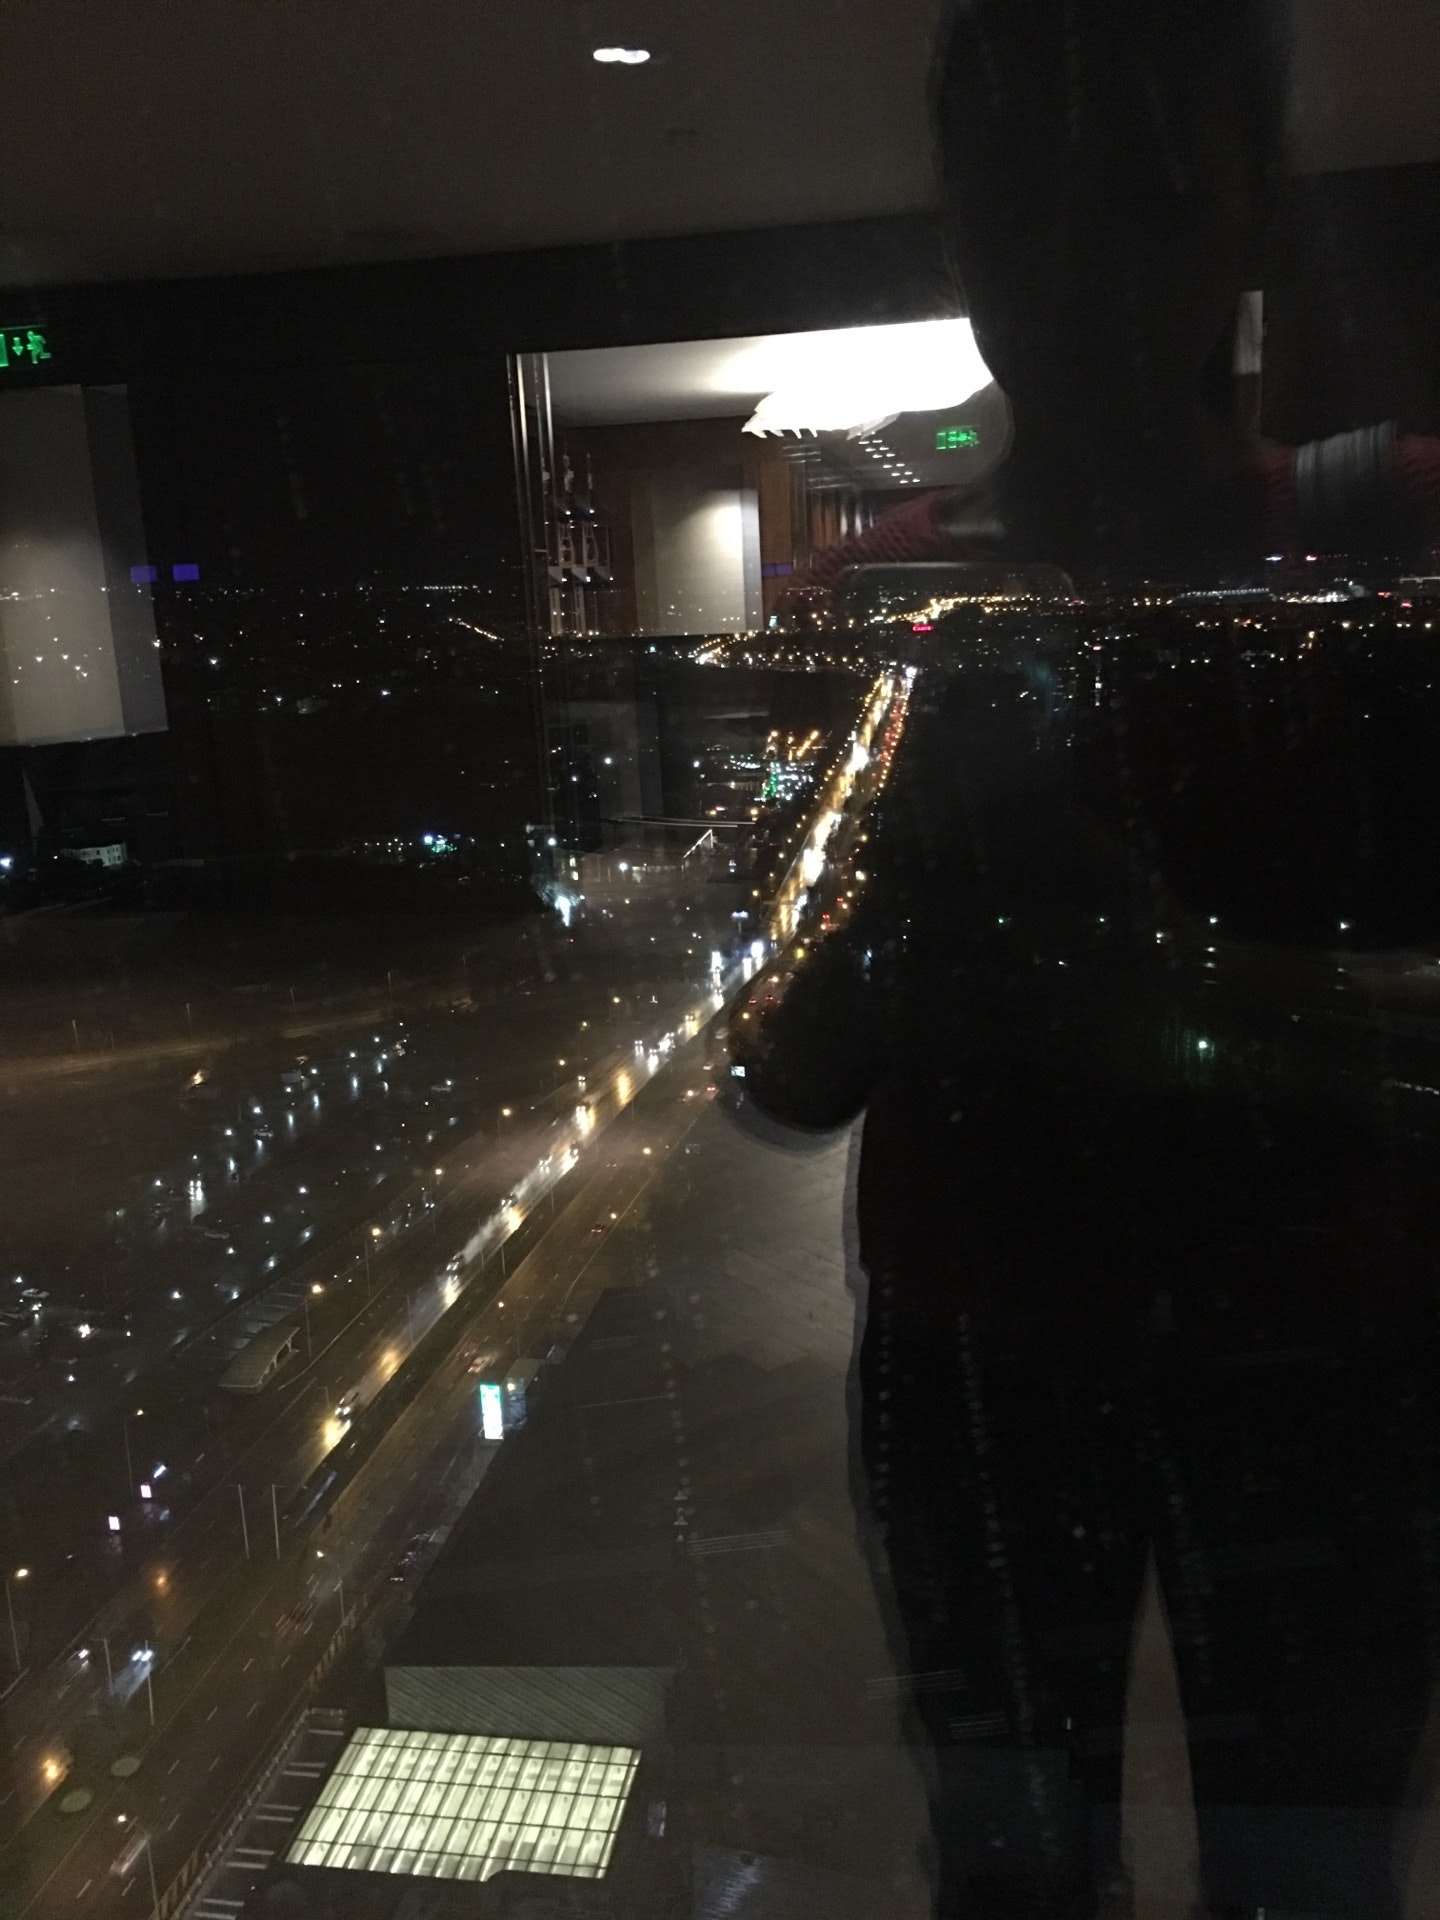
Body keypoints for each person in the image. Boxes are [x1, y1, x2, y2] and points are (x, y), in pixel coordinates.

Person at [731, 4, 1440, 1912]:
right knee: (1103, 1875)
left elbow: (787, 1078)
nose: (1077, 263)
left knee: (1187, 1879)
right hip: (1091, 1353)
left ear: (1250, 206)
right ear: (961, 228)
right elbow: (782, 1065)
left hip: (1216, 1350)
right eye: (1027, 199)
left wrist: (1126, 970)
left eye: (1141, 193)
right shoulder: (884, 606)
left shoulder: (1390, 546)